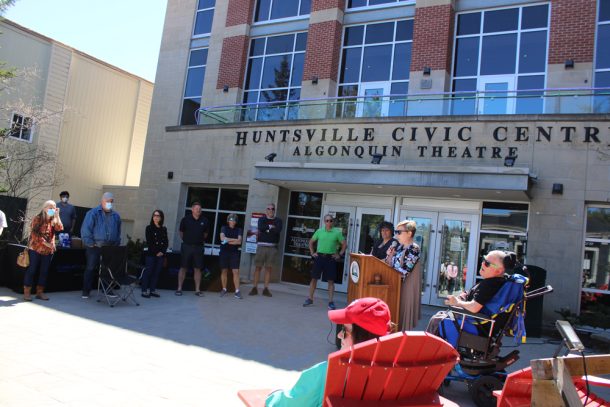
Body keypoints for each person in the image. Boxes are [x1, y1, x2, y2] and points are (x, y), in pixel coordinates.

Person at [266, 297, 392, 406]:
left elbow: (287, 404)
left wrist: (273, 396)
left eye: (344, 330)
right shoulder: (394, 376)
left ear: (362, 338)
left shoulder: (326, 372)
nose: (339, 335)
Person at [445, 250, 515, 313]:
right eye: (483, 260)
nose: (482, 264)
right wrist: (464, 295)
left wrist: (457, 302)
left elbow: (474, 307)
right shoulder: (500, 280)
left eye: (487, 264)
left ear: (499, 271)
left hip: (469, 323)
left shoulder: (490, 285)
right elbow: (480, 296)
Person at [80, 192, 122, 299]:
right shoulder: (93, 213)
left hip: (109, 247)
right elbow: (86, 229)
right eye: (107, 201)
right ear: (102, 201)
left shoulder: (116, 216)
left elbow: (118, 231)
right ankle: (86, 291)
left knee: (107, 269)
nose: (109, 203)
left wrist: (116, 243)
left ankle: (107, 289)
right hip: (95, 247)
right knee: (90, 268)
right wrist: (90, 243)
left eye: (111, 201)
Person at [304, 214, 347, 310]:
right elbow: (311, 242)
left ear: (333, 222)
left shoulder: (336, 232)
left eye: (331, 221)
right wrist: (312, 253)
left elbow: (344, 244)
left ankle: (331, 302)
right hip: (319, 257)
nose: (329, 222)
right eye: (327, 220)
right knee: (314, 279)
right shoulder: (319, 231)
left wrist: (339, 254)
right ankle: (310, 298)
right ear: (324, 222)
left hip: (330, 258)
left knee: (330, 281)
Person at [23, 200, 63, 301]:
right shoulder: (38, 218)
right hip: (36, 249)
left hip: (47, 251)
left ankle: (39, 292)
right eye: (50, 207)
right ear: (44, 208)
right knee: (32, 270)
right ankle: (27, 292)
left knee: (44, 271)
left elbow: (60, 228)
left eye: (54, 207)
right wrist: (47, 244)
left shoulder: (53, 219)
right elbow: (35, 235)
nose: (52, 209)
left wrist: (57, 215)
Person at [385, 220, 421, 331]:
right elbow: (390, 265)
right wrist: (389, 256)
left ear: (409, 233)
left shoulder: (414, 248)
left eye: (399, 232)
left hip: (405, 288)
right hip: (396, 286)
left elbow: (404, 271)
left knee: (402, 318)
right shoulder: (400, 248)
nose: (396, 235)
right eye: (395, 232)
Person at [250, 203, 282, 297]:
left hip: (272, 247)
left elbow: (278, 230)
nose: (270, 210)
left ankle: (266, 289)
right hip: (261, 246)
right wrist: (270, 227)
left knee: (268, 268)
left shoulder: (278, 220)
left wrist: (267, 229)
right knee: (258, 267)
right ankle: (254, 288)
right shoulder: (261, 219)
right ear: (266, 210)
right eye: (269, 208)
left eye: (272, 209)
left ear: (274, 210)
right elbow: (261, 228)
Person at [176, 201, 208, 297]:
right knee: (183, 267)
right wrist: (188, 240)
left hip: (198, 247)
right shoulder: (185, 219)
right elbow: (181, 232)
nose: (198, 210)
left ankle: (197, 290)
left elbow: (205, 234)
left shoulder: (205, 220)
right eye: (196, 209)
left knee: (197, 269)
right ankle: (179, 289)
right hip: (187, 246)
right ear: (192, 209)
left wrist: (197, 240)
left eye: (199, 209)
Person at [142, 209, 168, 298]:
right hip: (151, 254)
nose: (156, 217)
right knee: (148, 272)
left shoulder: (163, 229)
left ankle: (152, 290)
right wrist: (157, 252)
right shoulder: (149, 228)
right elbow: (150, 242)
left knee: (156, 273)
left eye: (158, 216)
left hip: (160, 255)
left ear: (161, 218)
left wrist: (162, 252)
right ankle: (144, 290)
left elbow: (166, 243)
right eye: (154, 215)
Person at [219, 213, 243, 299]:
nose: (232, 221)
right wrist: (234, 240)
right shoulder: (224, 228)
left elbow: (239, 242)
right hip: (224, 252)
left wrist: (227, 240)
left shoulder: (239, 229)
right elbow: (222, 239)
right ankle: (224, 289)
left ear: (236, 222)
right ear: (228, 220)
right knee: (224, 270)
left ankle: (237, 291)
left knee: (236, 271)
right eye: (231, 220)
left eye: (234, 220)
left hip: (234, 253)